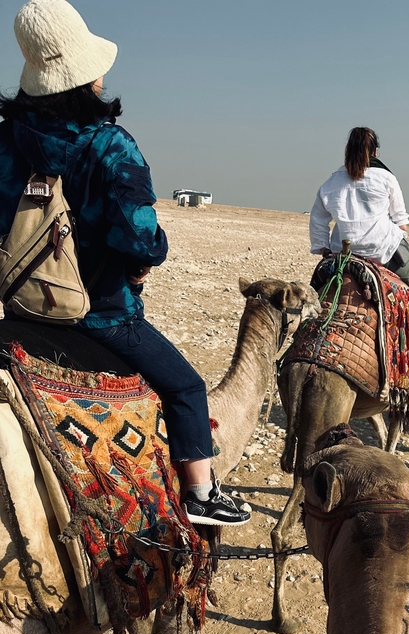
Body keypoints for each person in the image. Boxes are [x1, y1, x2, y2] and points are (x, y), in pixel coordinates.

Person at [0, 0, 248, 526]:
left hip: (23, 309)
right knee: (187, 389)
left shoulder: (7, 142)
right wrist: (142, 261)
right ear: (84, 75)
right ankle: (202, 495)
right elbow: (140, 239)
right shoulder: (112, 146)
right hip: (102, 314)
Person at [309, 126, 409, 366]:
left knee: (313, 295)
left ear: (347, 151)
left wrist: (324, 250)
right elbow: (400, 220)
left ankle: (303, 332)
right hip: (383, 253)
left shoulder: (331, 183)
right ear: (375, 151)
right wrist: (400, 239)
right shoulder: (386, 178)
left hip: (342, 256)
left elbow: (318, 219)